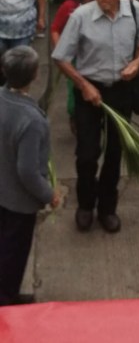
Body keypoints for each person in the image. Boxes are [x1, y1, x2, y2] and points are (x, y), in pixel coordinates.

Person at [52, 0, 139, 234]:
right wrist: (83, 85)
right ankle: (85, 205)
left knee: (115, 152)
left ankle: (107, 208)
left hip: (121, 90)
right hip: (89, 91)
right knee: (87, 153)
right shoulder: (81, 16)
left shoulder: (135, 10)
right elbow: (60, 56)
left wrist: (137, 61)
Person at [0, 47, 61, 305]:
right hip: (18, 203)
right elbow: (27, 171)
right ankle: (7, 299)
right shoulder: (31, 120)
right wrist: (50, 195)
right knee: (13, 253)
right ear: (35, 75)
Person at [51, 0, 100, 134]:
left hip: (95, 55)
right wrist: (61, 51)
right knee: (75, 89)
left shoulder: (102, 5)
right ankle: (75, 116)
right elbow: (55, 29)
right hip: (73, 57)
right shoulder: (70, 5)